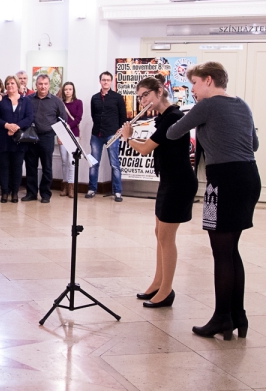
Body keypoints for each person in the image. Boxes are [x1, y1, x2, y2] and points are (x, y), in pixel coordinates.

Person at [166, 62, 260, 340]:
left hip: (223, 180)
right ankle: (238, 316)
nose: (192, 89)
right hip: (249, 178)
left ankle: (222, 318)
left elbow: (173, 133)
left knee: (221, 252)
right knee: (232, 250)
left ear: (208, 80)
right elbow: (253, 145)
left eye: (194, 83)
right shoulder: (241, 103)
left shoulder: (206, 106)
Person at [120, 75, 198, 309]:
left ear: (160, 91)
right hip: (169, 181)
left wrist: (128, 137)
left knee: (166, 237)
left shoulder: (173, 117)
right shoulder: (164, 117)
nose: (143, 101)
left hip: (180, 183)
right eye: (140, 96)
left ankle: (166, 291)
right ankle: (157, 282)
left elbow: (144, 149)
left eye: (146, 95)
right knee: (159, 233)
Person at [24, 74, 68, 203]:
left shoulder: (56, 101)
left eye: (45, 84)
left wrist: (61, 136)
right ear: (36, 85)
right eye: (40, 84)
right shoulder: (28, 99)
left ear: (49, 85)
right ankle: (31, 193)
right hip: (30, 137)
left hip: (47, 137)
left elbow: (63, 120)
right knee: (30, 166)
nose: (43, 86)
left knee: (47, 167)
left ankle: (45, 194)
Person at [0, 76, 34, 203]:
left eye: (12, 83)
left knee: (17, 166)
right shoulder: (1, 101)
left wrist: (16, 127)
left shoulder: (25, 101)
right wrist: (7, 125)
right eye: (8, 83)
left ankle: (15, 192)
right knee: (3, 166)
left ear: (17, 85)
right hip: (3, 138)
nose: (10, 85)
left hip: (19, 139)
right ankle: (5, 192)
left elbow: (29, 117)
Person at [87, 71, 126, 202]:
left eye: (108, 80)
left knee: (114, 164)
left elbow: (123, 116)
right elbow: (94, 115)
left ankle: (118, 192)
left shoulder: (118, 97)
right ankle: (92, 189)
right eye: (103, 80)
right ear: (100, 81)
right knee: (93, 163)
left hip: (112, 134)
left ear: (111, 82)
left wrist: (119, 130)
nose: (106, 82)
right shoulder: (94, 98)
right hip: (96, 134)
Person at [56, 82, 83, 198]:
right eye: (66, 89)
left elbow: (78, 118)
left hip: (73, 134)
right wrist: (59, 134)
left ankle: (71, 187)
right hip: (62, 134)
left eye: (70, 89)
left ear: (73, 90)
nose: (67, 91)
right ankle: (65, 185)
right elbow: (57, 118)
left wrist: (68, 126)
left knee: (72, 161)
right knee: (64, 161)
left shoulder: (78, 102)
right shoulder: (60, 103)